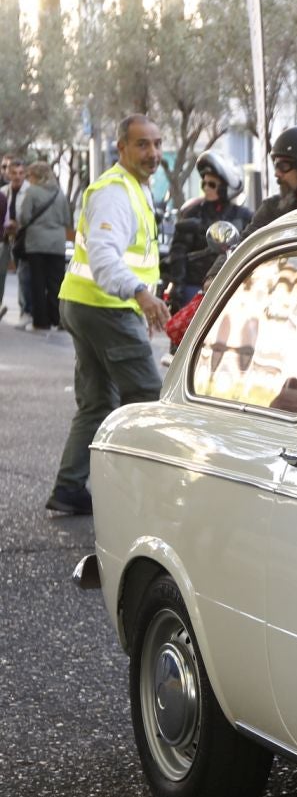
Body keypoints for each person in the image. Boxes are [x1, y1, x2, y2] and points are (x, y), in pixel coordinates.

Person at [47, 115, 170, 516]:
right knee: (147, 396)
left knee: (99, 401)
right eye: (142, 145)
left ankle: (69, 488)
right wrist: (139, 294)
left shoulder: (135, 188)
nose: (152, 153)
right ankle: (138, 495)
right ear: (121, 148)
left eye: (156, 144)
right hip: (106, 308)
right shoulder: (116, 193)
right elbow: (103, 256)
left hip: (89, 305)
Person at [168, 150, 253, 311]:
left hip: (231, 286)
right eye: (204, 183)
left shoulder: (244, 216)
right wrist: (177, 288)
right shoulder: (192, 213)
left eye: (212, 184)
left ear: (225, 187)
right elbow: (178, 254)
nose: (206, 188)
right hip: (195, 288)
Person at [15, 160, 74, 332]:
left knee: (38, 283)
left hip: (36, 243)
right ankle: (58, 318)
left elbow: (24, 218)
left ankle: (41, 321)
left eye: (30, 175)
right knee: (56, 283)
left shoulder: (31, 192)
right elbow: (65, 219)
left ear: (36, 176)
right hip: (57, 243)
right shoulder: (59, 193)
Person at [2, 154, 26, 323]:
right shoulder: (3, 192)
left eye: (20, 173)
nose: (17, 176)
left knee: (23, 275)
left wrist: (18, 224)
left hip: (23, 239)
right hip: (5, 238)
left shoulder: (29, 191)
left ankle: (25, 310)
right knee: (1, 274)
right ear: (8, 175)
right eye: (14, 173)